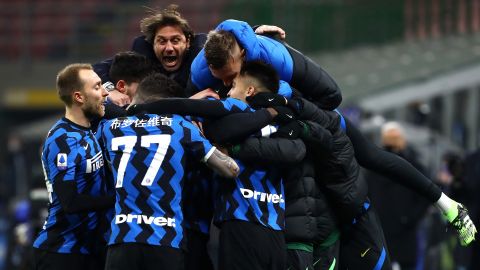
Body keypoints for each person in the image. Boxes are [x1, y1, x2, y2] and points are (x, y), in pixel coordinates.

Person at [190, 19, 477, 247]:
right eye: (221, 80)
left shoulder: (274, 57)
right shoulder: (203, 71)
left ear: (243, 54)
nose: (227, 85)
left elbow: (331, 96)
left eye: (232, 77)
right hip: (276, 117)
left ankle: (446, 203)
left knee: (369, 155)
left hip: (310, 109)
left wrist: (290, 105)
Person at [97, 72, 240, 270]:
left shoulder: (109, 128)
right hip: (166, 240)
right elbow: (230, 170)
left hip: (122, 240)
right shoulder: (180, 126)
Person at [93, 4, 286, 104]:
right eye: (162, 41)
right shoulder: (142, 53)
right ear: (152, 44)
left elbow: (226, 43)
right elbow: (97, 69)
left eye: (175, 40)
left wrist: (256, 30)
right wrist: (111, 89)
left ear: (188, 42)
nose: (169, 48)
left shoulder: (202, 53)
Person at [32, 63, 114, 270]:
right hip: (61, 251)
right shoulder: (62, 140)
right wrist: (120, 197)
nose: (105, 92)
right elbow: (70, 202)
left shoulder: (91, 129)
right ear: (79, 97)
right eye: (97, 87)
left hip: (90, 249)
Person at [366, 122, 430, 270]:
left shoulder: (378, 165)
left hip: (398, 233)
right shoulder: (377, 166)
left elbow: (424, 197)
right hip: (386, 231)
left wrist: (410, 218)